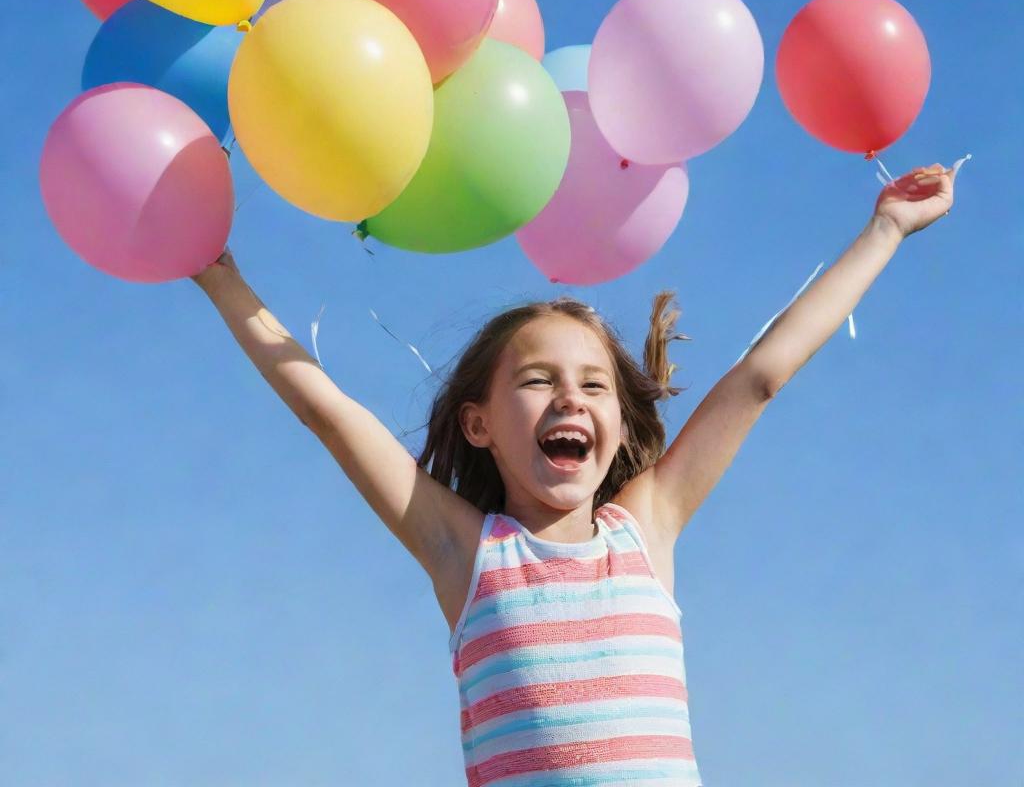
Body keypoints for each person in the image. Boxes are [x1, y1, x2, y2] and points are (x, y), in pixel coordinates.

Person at [192, 162, 958, 786]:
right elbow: (327, 412)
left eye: (594, 386)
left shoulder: (646, 526)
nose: (570, 397)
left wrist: (886, 229)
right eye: (537, 381)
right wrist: (222, 278)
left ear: (619, 422)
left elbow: (762, 374)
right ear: (478, 424)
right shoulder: (467, 554)